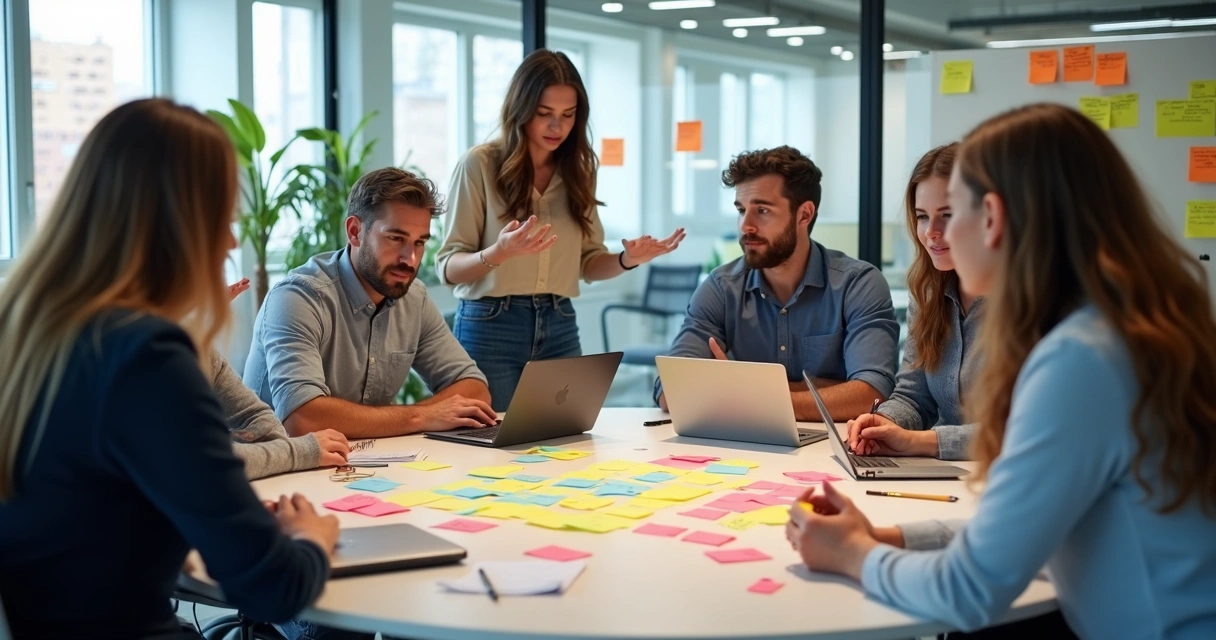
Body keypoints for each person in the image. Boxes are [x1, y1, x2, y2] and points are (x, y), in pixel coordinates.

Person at [785, 103, 1216, 638]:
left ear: (992, 216)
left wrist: (852, 555)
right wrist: (887, 537)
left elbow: (970, 590)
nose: (936, 233)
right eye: (924, 216)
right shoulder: (1120, 325)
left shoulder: (1079, 358)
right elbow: (1029, 529)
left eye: (954, 210)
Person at [0, 98, 336, 639]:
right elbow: (272, 586)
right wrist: (310, 537)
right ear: (179, 225)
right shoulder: (147, 355)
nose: (230, 241)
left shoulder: (30, 331)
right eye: (221, 218)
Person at [439, 49, 685, 411]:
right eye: (545, 115)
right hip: (491, 325)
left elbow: (588, 264)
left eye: (568, 115)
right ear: (521, 110)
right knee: (490, 448)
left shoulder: (578, 170)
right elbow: (447, 268)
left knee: (566, 439)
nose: (558, 127)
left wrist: (626, 259)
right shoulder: (479, 164)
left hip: (559, 321)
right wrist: (500, 252)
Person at [244, 167, 496, 439]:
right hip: (274, 469)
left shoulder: (414, 299)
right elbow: (303, 419)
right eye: (395, 238)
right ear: (355, 232)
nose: (410, 259)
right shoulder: (298, 298)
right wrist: (422, 416)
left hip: (362, 463)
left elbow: (474, 388)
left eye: (419, 242)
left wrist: (405, 419)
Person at [654, 145, 899, 421]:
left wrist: (744, 391)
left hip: (834, 451)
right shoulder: (721, 288)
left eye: (762, 211)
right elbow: (670, 391)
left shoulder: (858, 284)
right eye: (741, 210)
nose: (746, 225)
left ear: (804, 215)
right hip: (745, 448)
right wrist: (830, 391)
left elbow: (872, 394)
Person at [846, 143, 981, 460]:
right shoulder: (928, 289)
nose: (931, 232)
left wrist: (921, 442)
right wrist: (883, 422)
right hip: (948, 474)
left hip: (1012, 477)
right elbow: (914, 395)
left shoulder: (1032, 302)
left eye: (947, 215)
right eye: (922, 217)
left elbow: (1029, 430)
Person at [219, 283, 349, 479]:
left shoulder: (199, 351)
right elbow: (202, 459)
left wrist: (280, 451)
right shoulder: (293, 297)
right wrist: (300, 451)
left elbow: (251, 413)